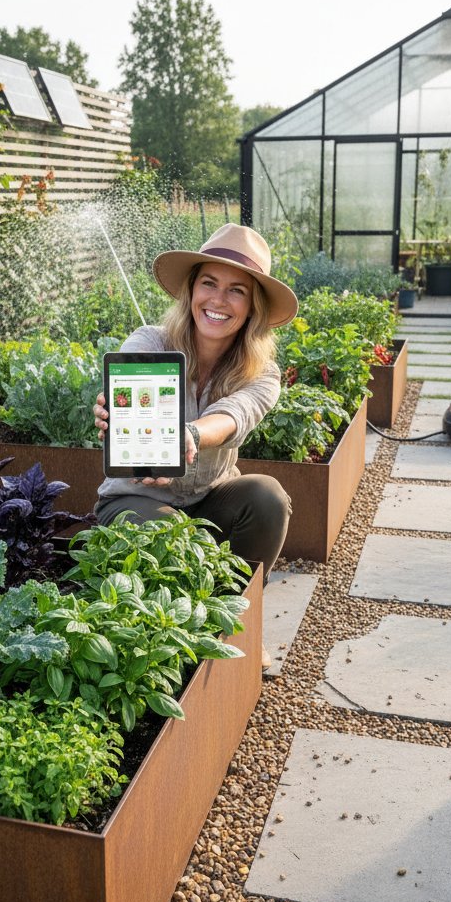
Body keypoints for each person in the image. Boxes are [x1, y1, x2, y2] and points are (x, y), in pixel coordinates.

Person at [93, 224, 298, 665]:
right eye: (209, 283)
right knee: (169, 532)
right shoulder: (151, 341)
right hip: (136, 499)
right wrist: (115, 409)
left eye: (236, 291)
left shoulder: (262, 373)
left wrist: (188, 436)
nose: (218, 300)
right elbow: (131, 387)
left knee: (267, 498)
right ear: (190, 291)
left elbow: (233, 417)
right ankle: (170, 643)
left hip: (210, 500)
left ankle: (235, 624)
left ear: (252, 308)